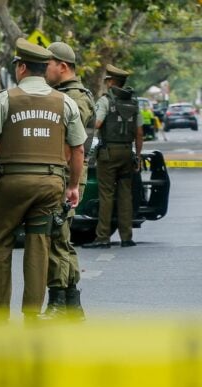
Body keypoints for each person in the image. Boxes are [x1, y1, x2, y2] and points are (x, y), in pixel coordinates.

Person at [0, 39, 86, 322]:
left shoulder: (5, 99)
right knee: (39, 246)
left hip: (11, 185)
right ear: (45, 69)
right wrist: (73, 186)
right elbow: (78, 149)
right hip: (49, 185)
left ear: (21, 68)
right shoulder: (65, 102)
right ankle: (32, 315)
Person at [42, 41, 93, 321]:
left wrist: (69, 181)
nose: (44, 70)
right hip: (63, 173)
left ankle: (59, 302)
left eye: (48, 64)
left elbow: (74, 144)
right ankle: (71, 305)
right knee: (61, 236)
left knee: (56, 236)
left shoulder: (74, 98)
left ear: (62, 66)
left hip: (66, 174)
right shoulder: (64, 94)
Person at [83, 64, 143, 249]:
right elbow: (139, 133)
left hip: (108, 154)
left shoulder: (105, 101)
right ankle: (127, 237)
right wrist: (138, 156)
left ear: (111, 82)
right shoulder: (133, 103)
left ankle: (102, 237)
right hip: (127, 152)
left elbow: (98, 124)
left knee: (106, 195)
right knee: (125, 195)